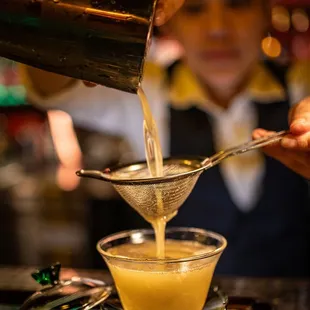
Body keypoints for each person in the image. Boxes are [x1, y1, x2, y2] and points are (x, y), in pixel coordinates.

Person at [22, 0, 310, 277]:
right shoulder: (149, 89)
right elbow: (51, 88)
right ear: (170, 22)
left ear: (265, 13)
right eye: (195, 9)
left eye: (238, 4)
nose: (218, 28)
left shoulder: (302, 84)